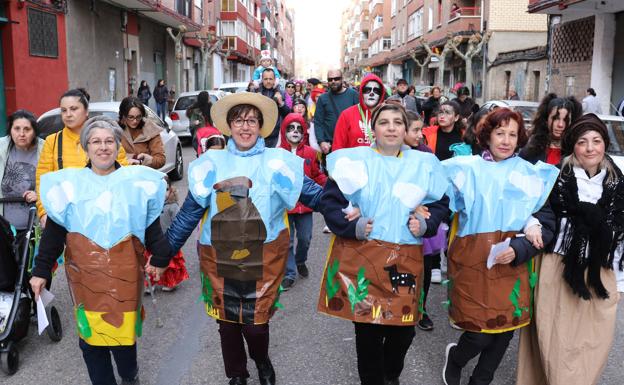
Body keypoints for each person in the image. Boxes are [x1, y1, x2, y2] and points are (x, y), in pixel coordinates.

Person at [165, 93, 323, 385]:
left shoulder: (277, 162)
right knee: (226, 323)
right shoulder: (212, 163)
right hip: (219, 254)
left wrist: (348, 212)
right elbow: (189, 213)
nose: (245, 127)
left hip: (264, 254)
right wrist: (162, 254)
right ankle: (236, 374)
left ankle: (261, 359)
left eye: (252, 120)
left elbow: (315, 194)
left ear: (261, 126)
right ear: (229, 126)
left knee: (255, 323)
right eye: (239, 120)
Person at [30, 116, 174, 385]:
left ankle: (129, 375)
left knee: (122, 336)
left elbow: (151, 227)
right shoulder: (70, 187)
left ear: (118, 145)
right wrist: (40, 272)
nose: (103, 147)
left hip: (125, 276)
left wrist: (162, 256)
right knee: (91, 341)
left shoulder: (135, 183)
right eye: (96, 141)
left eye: (109, 141)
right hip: (85, 278)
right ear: (86, 147)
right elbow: (53, 235)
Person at [318, 102, 450, 385]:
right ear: (373, 129)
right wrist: (351, 225)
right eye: (384, 122)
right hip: (362, 257)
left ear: (406, 129)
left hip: (405, 257)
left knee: (404, 330)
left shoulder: (423, 164)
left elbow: (441, 202)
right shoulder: (353, 162)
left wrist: (426, 224)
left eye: (397, 122)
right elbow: (329, 202)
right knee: (367, 331)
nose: (391, 128)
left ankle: (390, 375)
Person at [441, 108, 558, 385]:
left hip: (511, 260)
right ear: (487, 135)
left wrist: (527, 235)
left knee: (505, 328)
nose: (506, 140)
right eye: (500, 133)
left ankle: (481, 380)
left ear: (520, 139)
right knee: (478, 331)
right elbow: (436, 196)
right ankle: (457, 357)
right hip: (474, 258)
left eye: (512, 134)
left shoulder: (529, 174)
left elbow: (540, 213)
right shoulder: (466, 168)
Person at [516, 113, 624, 385]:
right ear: (573, 145)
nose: (590, 148)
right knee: (556, 343)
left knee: (592, 344)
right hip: (557, 267)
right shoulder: (556, 178)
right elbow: (532, 209)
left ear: (604, 144)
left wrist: (620, 283)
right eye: (582, 141)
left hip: (602, 273)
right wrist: (532, 224)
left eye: (597, 141)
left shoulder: (618, 185)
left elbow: (622, 237)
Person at [36, 89, 128, 227]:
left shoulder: (107, 139)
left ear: (86, 111)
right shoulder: (53, 141)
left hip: (104, 216)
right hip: (65, 218)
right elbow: (42, 181)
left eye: (73, 109)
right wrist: (44, 213)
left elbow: (123, 176)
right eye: (64, 110)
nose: (68, 114)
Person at [278, 113, 326, 290]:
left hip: (305, 207)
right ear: (284, 131)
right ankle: (289, 273)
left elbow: (317, 174)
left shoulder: (311, 153)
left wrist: (329, 186)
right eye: (291, 128)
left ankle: (300, 261)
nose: (295, 132)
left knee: (305, 238)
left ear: (304, 132)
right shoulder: (278, 154)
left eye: (299, 128)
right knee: (287, 241)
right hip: (285, 207)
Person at [0, 110, 44, 231]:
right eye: (17, 128)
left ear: (34, 131)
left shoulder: (45, 149)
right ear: (10, 130)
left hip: (35, 227)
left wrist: (39, 195)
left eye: (27, 129)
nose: (21, 134)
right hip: (4, 228)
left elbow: (55, 184)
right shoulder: (1, 148)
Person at [520, 93, 582, 165]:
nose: (560, 125)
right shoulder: (530, 149)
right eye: (555, 118)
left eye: (566, 120)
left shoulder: (577, 153)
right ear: (546, 119)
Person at [332, 73, 386, 150]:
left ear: (381, 94)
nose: (371, 93)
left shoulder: (387, 115)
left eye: (376, 91)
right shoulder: (347, 115)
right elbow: (337, 146)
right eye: (367, 90)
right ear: (361, 92)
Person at [313, 69, 359, 155]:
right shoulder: (323, 98)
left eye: (336, 78)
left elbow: (360, 118)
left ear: (342, 79)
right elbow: (318, 122)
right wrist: (321, 141)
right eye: (330, 79)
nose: (333, 81)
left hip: (351, 146)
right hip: (331, 146)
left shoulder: (353, 95)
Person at [118, 96, 166, 169]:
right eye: (131, 117)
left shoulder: (150, 129)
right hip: (122, 176)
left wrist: (146, 159)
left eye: (138, 117)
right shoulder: (115, 130)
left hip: (145, 176)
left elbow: (161, 160)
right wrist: (127, 160)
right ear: (123, 116)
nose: (135, 121)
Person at [255, 68, 290, 148]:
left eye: (270, 79)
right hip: (258, 135)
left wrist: (281, 103)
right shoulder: (255, 93)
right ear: (262, 80)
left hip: (275, 135)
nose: (268, 81)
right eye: (265, 79)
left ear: (274, 80)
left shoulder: (282, 93)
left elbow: (288, 114)